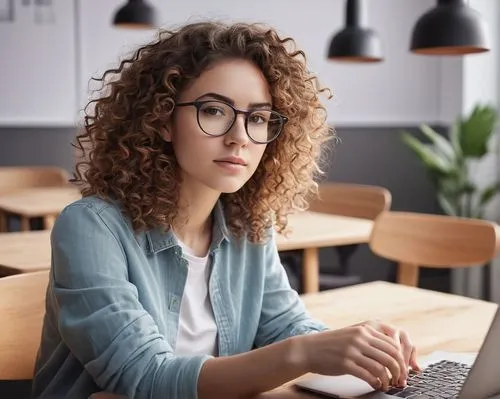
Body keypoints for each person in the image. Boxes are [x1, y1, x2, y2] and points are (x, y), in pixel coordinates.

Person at [31, 21, 420, 399]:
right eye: (214, 110)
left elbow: (284, 325)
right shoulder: (91, 227)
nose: (239, 138)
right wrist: (305, 352)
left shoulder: (248, 225)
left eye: (258, 118)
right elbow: (146, 379)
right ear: (163, 119)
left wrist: (355, 345)